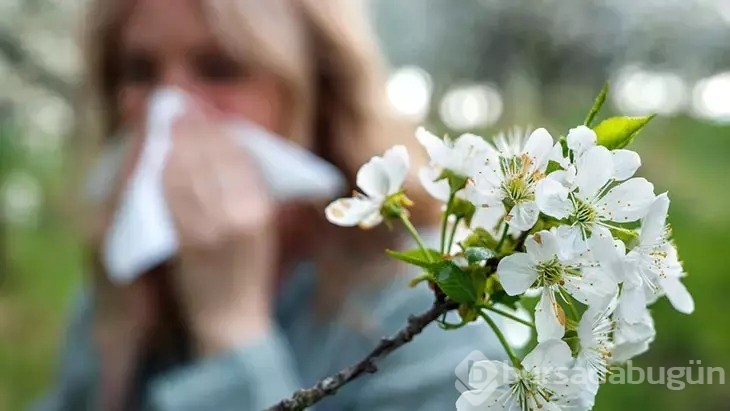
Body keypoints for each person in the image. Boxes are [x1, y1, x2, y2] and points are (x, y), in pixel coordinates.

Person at [37, 1, 503, 410]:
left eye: (219, 67)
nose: (171, 107)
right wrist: (112, 348)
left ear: (317, 91)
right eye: (140, 71)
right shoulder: (136, 277)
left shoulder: (424, 311)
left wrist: (230, 328)